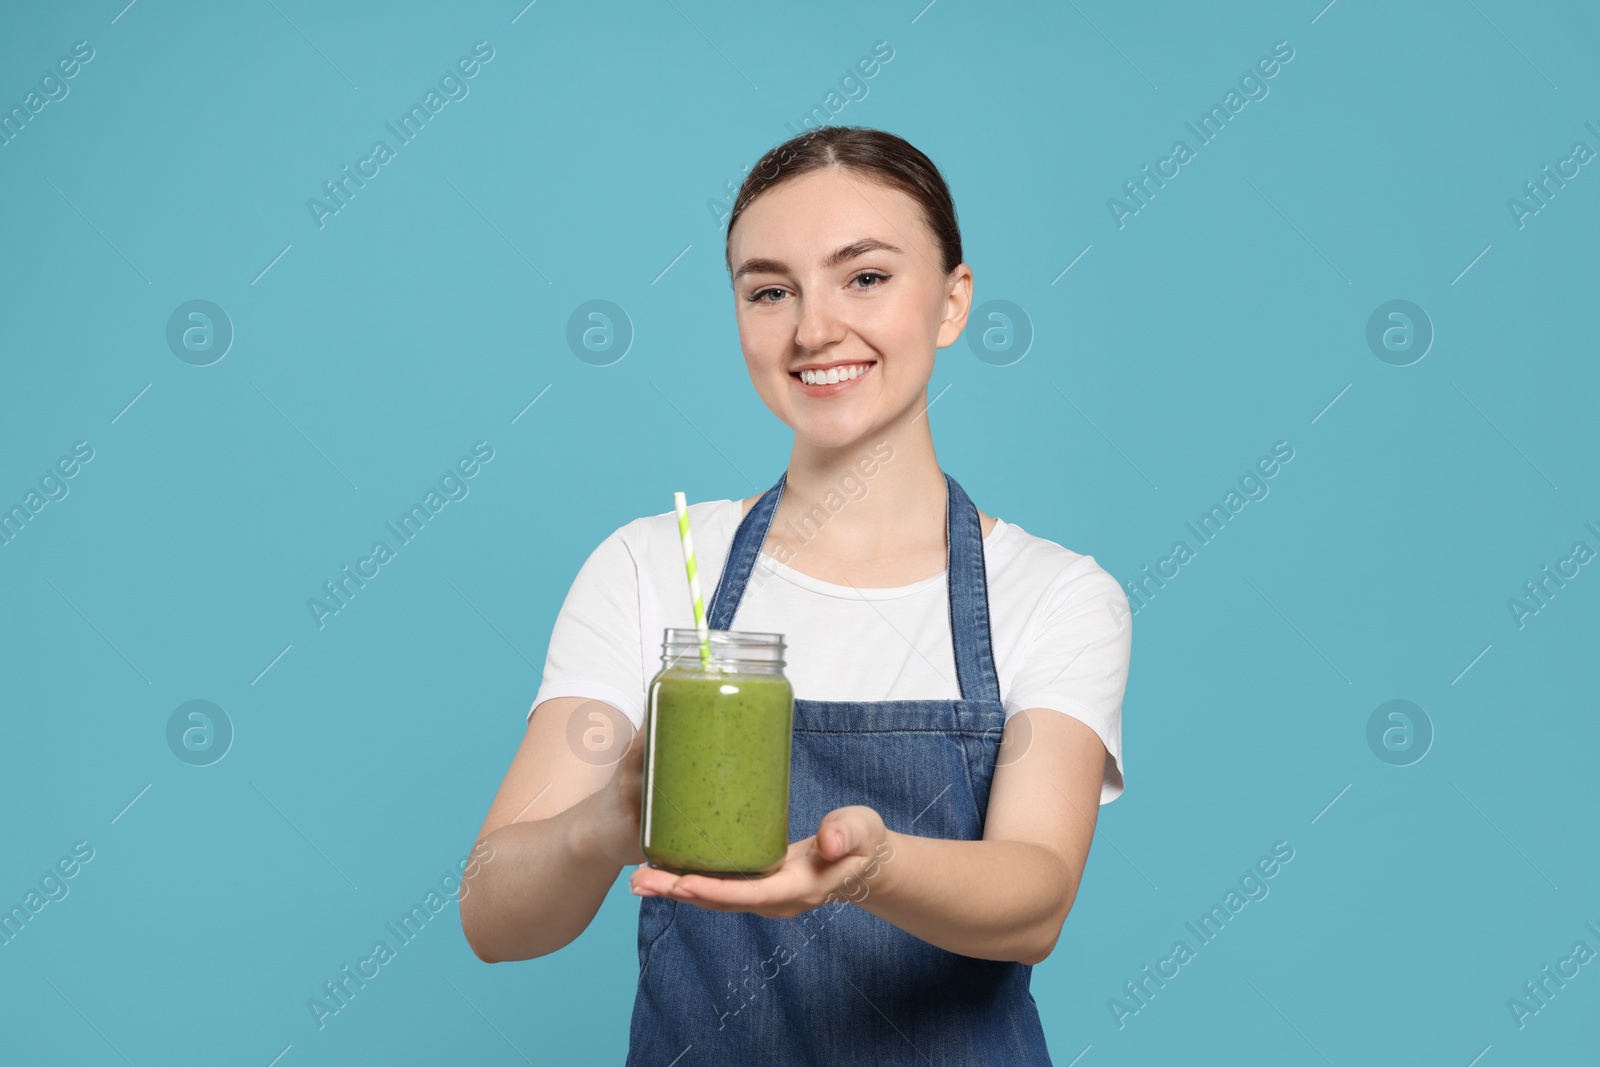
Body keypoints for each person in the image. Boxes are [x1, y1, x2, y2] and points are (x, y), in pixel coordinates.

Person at [460, 125, 1132, 1064]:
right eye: (770, 290)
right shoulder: (653, 568)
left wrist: (871, 866)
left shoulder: (1053, 594)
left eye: (865, 277)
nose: (814, 328)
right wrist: (601, 826)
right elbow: (492, 912)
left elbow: (1037, 896)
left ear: (952, 300)